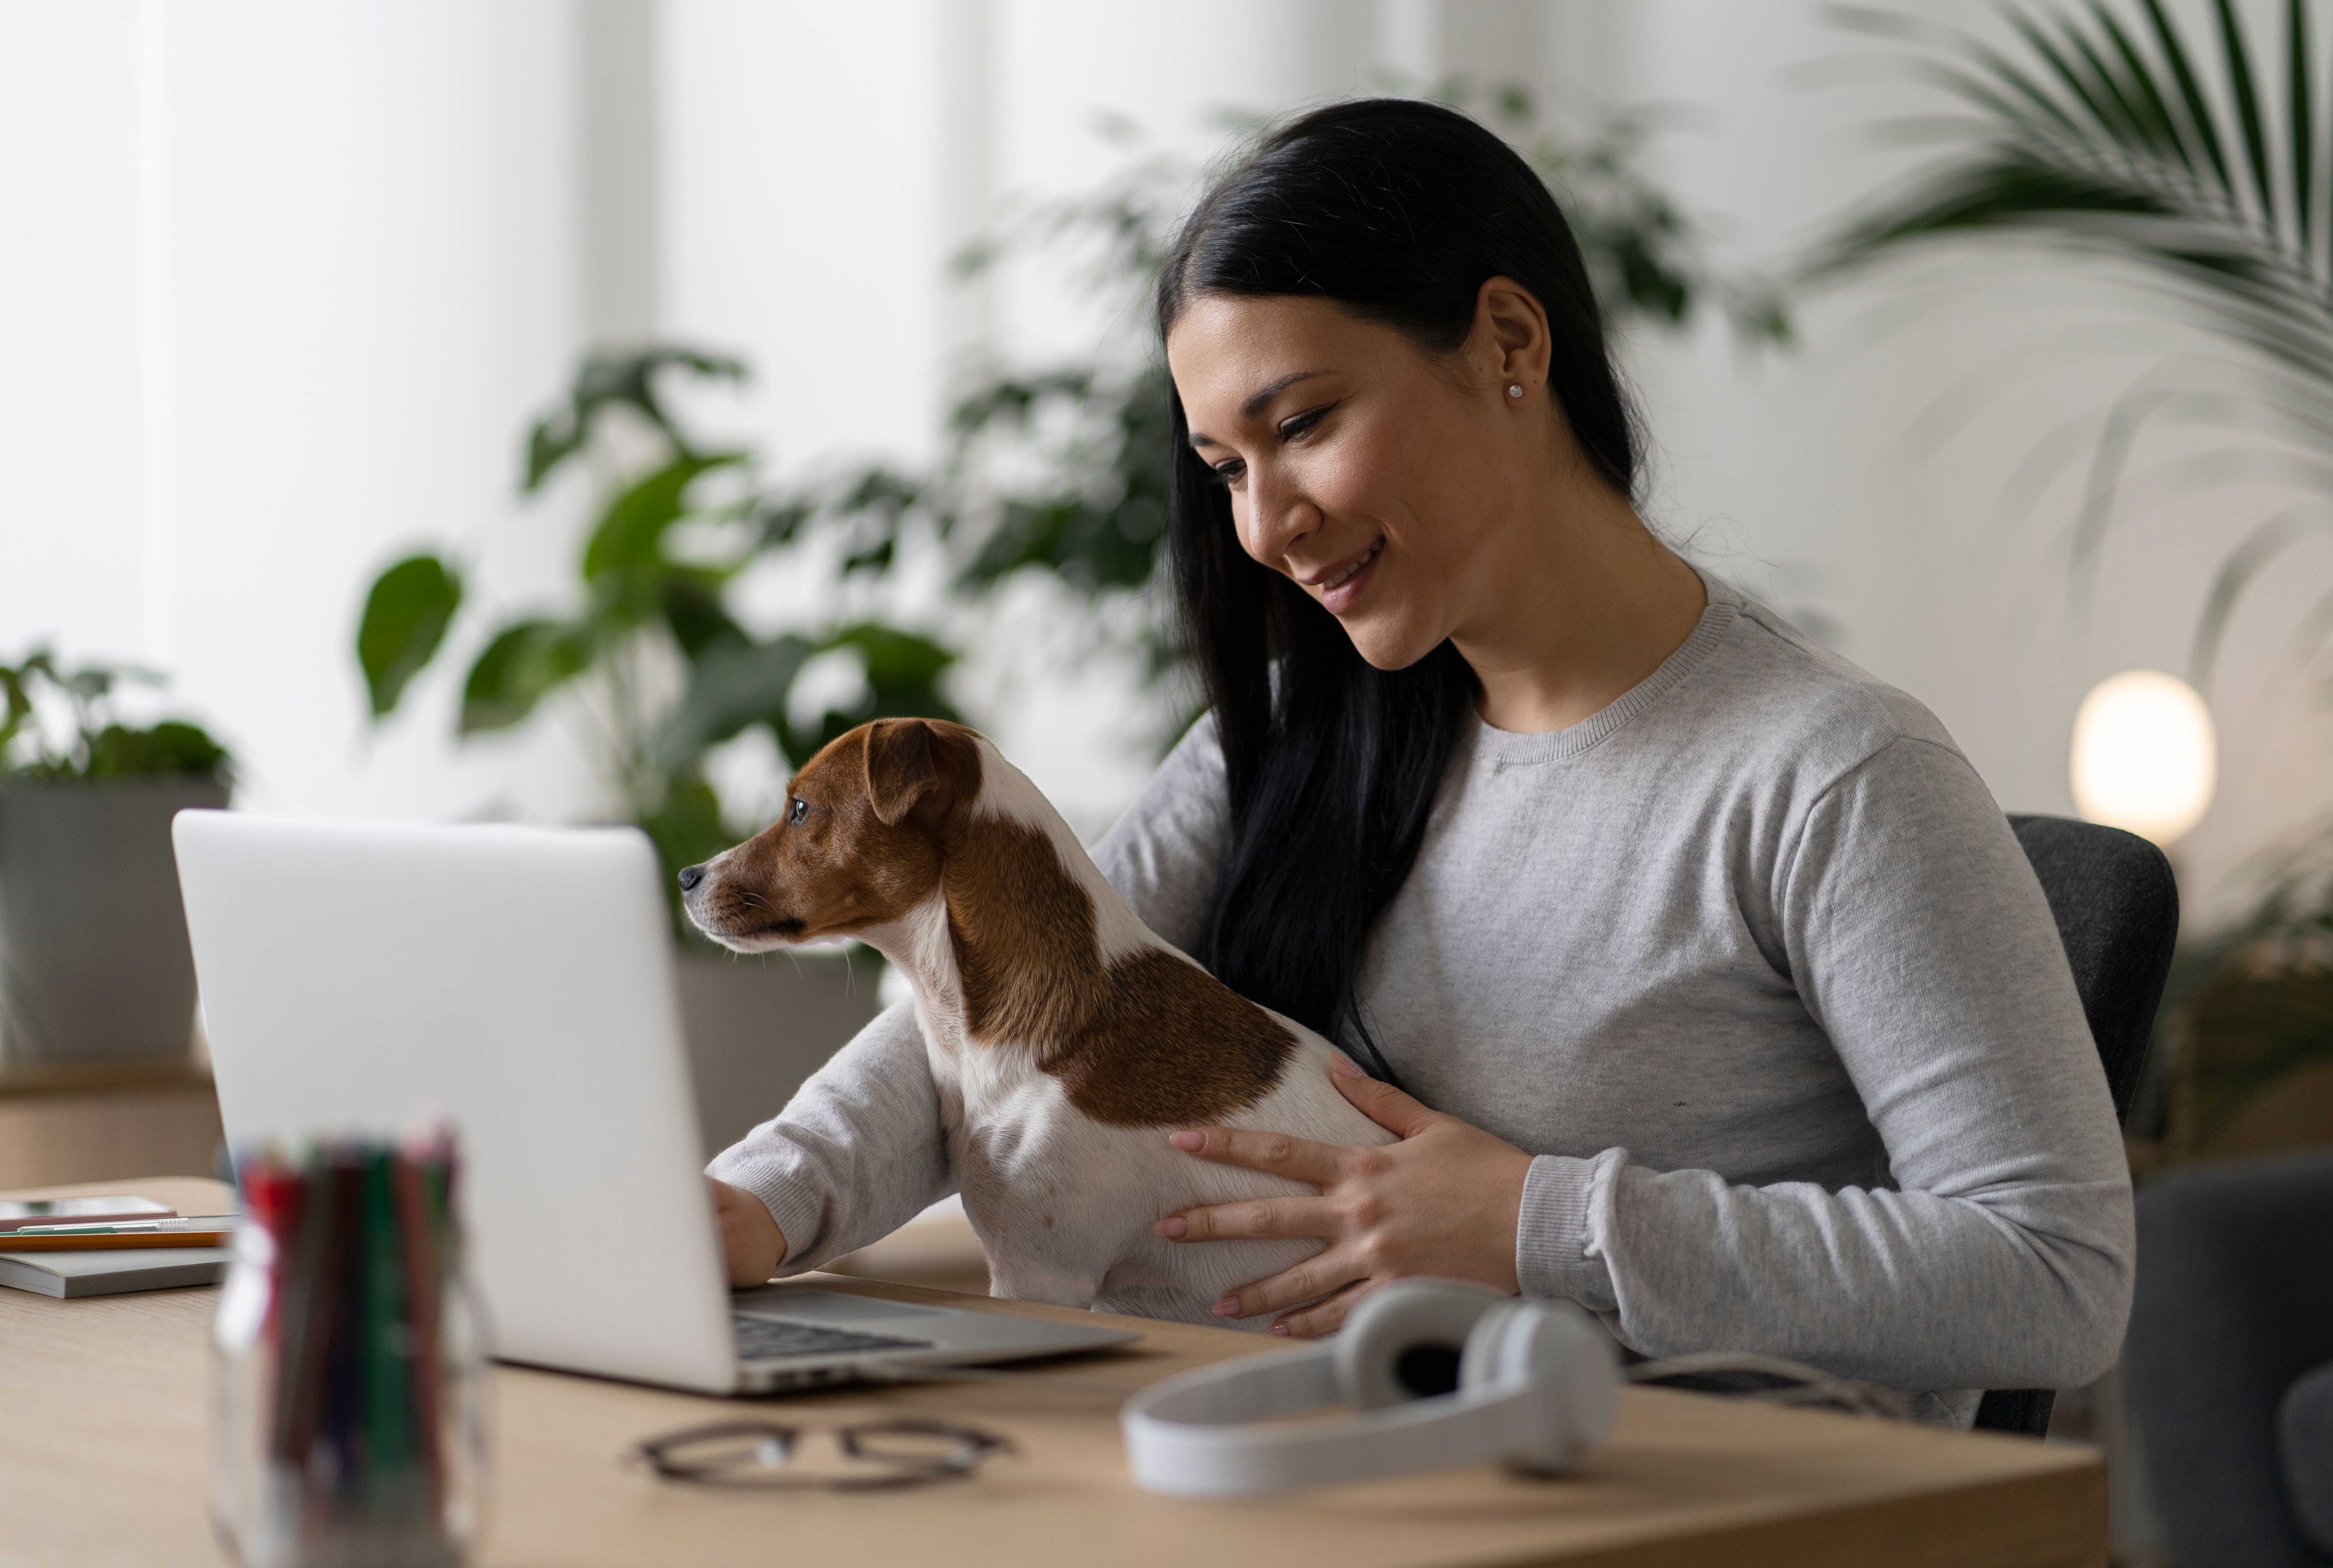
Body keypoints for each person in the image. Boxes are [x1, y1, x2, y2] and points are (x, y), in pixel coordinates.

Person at [706, 97, 2132, 1425]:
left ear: (1510, 342)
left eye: (1303, 425)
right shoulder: (1290, 739)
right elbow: (1011, 997)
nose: (1265, 527)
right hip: (1338, 1449)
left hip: (1669, 1494)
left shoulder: (1830, 780)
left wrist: (1538, 1223)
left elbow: (2058, 1281)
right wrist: (764, 1202)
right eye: (1224, 468)